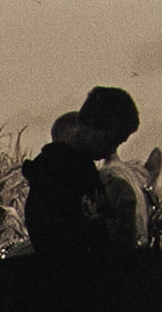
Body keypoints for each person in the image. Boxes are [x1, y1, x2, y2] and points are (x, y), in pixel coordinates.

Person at [21, 86, 140, 258]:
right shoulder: (53, 170)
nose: (112, 151)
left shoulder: (86, 170)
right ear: (89, 126)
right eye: (110, 140)